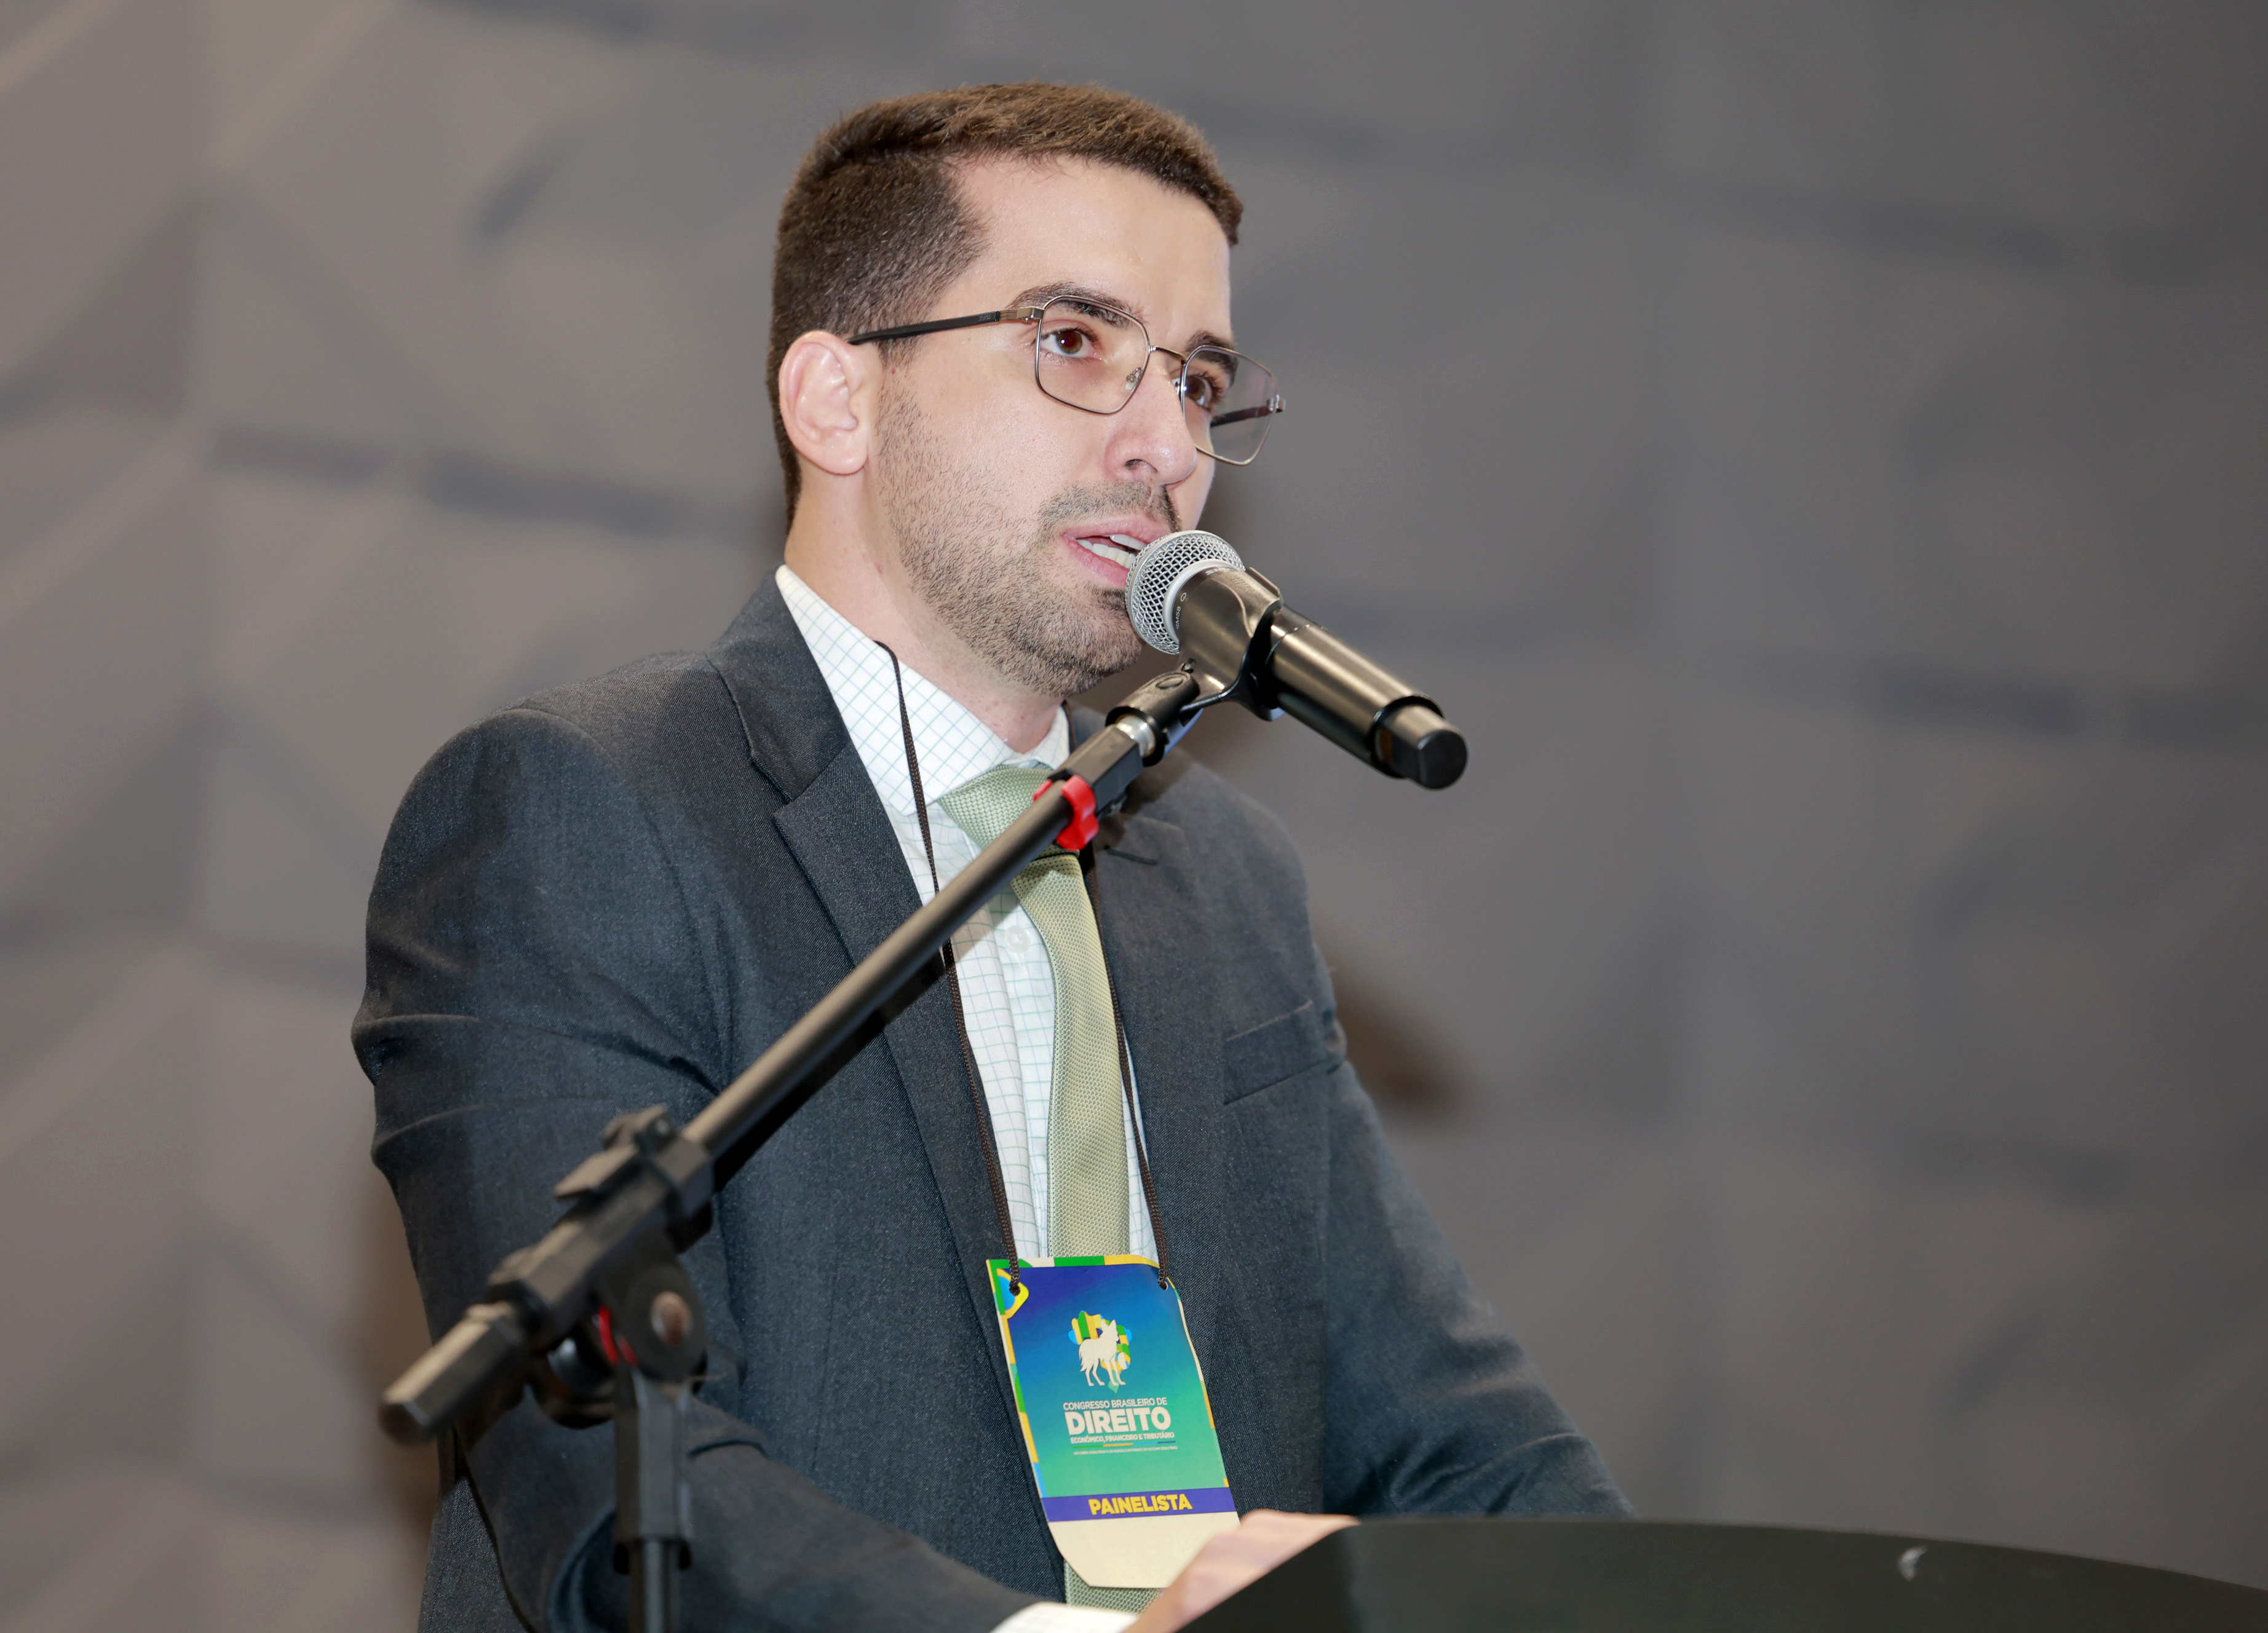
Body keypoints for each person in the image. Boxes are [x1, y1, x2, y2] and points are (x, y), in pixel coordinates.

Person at [358, 82, 1629, 1633]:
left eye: (1200, 378)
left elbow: (1461, 1446)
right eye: (1076, 341)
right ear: (836, 399)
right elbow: (619, 1487)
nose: (1168, 445)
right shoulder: (580, 813)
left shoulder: (1224, 880)